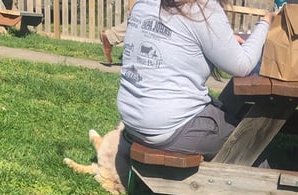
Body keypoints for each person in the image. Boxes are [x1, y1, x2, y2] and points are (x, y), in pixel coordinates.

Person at [116, 0, 274, 160]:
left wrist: (221, 41)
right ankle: (266, 183)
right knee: (250, 141)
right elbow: (242, 66)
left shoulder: (144, 3)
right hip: (170, 127)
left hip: (132, 120)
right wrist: (266, 22)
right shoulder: (201, 9)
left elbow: (176, 37)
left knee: (232, 117)